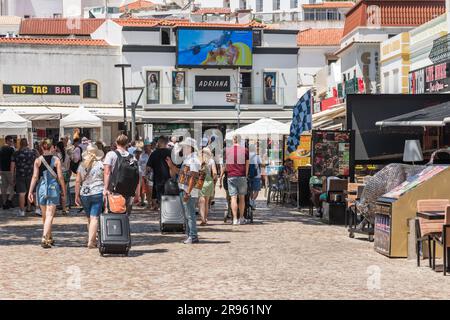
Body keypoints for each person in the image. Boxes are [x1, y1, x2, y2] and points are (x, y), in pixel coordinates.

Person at [28, 139, 66, 248]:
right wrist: (63, 190)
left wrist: (30, 191)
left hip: (41, 188)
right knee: (50, 215)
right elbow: (60, 177)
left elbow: (35, 177)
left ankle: (49, 237)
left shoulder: (37, 160)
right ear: (52, 147)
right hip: (53, 188)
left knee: (45, 215)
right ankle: (44, 237)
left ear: (41, 147)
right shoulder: (56, 160)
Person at [166, 137, 201, 244]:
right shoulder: (188, 159)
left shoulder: (193, 160)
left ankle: (193, 235)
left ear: (190, 147)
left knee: (190, 214)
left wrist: (188, 192)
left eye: (185, 146)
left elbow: (194, 176)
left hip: (188, 190)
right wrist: (171, 166)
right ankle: (190, 235)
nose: (183, 148)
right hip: (185, 189)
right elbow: (182, 173)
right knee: (187, 214)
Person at [75, 144, 104, 249]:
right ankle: (91, 241)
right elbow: (106, 179)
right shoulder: (101, 164)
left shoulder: (82, 165)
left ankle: (92, 238)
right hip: (97, 192)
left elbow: (78, 181)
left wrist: (76, 195)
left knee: (89, 218)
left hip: (85, 194)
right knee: (94, 218)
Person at [103, 134, 137, 215]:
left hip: (115, 189)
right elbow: (136, 174)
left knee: (114, 212)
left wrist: (105, 188)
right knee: (125, 214)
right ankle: (125, 227)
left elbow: (107, 172)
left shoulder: (111, 154)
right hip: (128, 190)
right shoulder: (132, 157)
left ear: (116, 143)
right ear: (127, 144)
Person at [225, 135, 249, 225]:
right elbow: (247, 164)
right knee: (242, 197)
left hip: (231, 175)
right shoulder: (245, 150)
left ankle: (235, 219)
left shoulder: (228, 150)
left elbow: (226, 164)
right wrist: (245, 175)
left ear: (233, 140)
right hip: (242, 175)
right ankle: (241, 217)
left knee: (233, 197)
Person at [10, 138, 36, 217]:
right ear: (27, 144)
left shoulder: (16, 153)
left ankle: (22, 211)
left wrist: (12, 177)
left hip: (20, 176)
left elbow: (12, 167)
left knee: (22, 194)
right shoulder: (32, 153)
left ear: (20, 144)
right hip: (31, 175)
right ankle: (34, 208)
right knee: (32, 192)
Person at [146, 136, 172, 209]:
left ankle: (162, 212)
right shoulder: (170, 152)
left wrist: (147, 176)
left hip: (157, 179)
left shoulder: (154, 153)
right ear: (166, 143)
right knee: (167, 198)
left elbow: (148, 168)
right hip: (169, 179)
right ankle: (166, 212)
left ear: (159, 142)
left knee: (159, 197)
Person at [198, 147, 217, 226]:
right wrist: (214, 181)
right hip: (209, 181)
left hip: (201, 179)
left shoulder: (199, 160)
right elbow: (215, 173)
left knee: (201, 201)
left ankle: (203, 219)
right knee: (206, 202)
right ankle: (205, 218)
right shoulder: (211, 161)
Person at [0, 135, 15, 210]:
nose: (11, 142)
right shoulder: (11, 149)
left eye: (12, 141)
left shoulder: (1, 149)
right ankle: (9, 201)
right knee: (13, 186)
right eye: (11, 141)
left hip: (2, 170)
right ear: (6, 141)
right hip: (9, 171)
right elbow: (14, 160)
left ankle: (5, 203)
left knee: (4, 188)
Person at [56, 141, 71, 215]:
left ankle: (56, 206)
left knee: (56, 191)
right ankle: (64, 208)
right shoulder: (67, 156)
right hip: (66, 174)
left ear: (58, 147)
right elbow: (68, 167)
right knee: (64, 192)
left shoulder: (56, 156)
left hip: (59, 174)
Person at [139, 143, 154, 209]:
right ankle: (148, 203)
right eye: (144, 146)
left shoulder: (154, 154)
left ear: (150, 146)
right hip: (143, 174)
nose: (145, 148)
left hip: (152, 175)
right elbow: (139, 164)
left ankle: (152, 203)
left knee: (151, 190)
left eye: (147, 146)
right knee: (145, 189)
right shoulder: (142, 155)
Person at [248, 144, 262, 210]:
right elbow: (261, 164)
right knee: (256, 190)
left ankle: (251, 202)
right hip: (257, 175)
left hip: (249, 175)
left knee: (250, 189)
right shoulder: (257, 156)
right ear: (254, 149)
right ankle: (252, 201)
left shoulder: (247, 156)